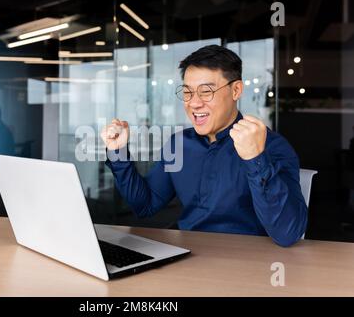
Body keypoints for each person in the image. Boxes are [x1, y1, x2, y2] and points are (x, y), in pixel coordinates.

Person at [101, 45, 307, 247]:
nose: (194, 103)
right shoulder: (179, 144)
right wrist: (118, 152)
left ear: (236, 90)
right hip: (187, 257)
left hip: (248, 266)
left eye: (206, 91)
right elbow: (145, 205)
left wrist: (255, 159)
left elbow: (287, 234)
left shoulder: (271, 146)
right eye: (188, 92)